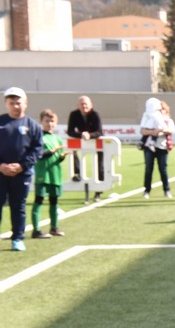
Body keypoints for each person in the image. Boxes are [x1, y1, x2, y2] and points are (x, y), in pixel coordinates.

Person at [0, 87, 41, 251]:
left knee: (18, 206)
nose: (15, 106)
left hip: (22, 174)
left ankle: (17, 238)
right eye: (12, 103)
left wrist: (22, 166)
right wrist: (1, 166)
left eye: (18, 103)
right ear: (6, 104)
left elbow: (37, 150)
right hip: (0, 173)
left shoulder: (33, 125)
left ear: (25, 103)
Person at [30, 109, 67, 238]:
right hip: (43, 174)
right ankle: (36, 230)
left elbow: (57, 158)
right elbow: (38, 155)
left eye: (52, 121)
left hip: (55, 175)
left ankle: (54, 228)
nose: (49, 124)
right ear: (41, 122)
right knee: (39, 200)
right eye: (47, 121)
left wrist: (62, 157)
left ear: (56, 123)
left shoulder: (57, 139)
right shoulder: (38, 137)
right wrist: (52, 152)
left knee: (54, 201)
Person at [66, 94, 104, 191]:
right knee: (71, 151)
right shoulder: (74, 114)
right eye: (82, 104)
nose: (84, 106)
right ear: (77, 106)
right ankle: (78, 173)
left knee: (100, 164)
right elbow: (70, 131)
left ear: (91, 105)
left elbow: (100, 132)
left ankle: (99, 188)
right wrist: (82, 135)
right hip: (82, 140)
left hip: (96, 141)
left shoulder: (95, 114)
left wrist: (89, 135)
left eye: (86, 104)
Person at [140, 98, 172, 200]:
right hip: (149, 147)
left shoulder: (167, 119)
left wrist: (160, 131)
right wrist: (152, 132)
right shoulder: (148, 116)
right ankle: (147, 190)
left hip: (162, 146)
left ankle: (166, 190)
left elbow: (170, 130)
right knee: (148, 169)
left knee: (163, 169)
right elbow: (143, 130)